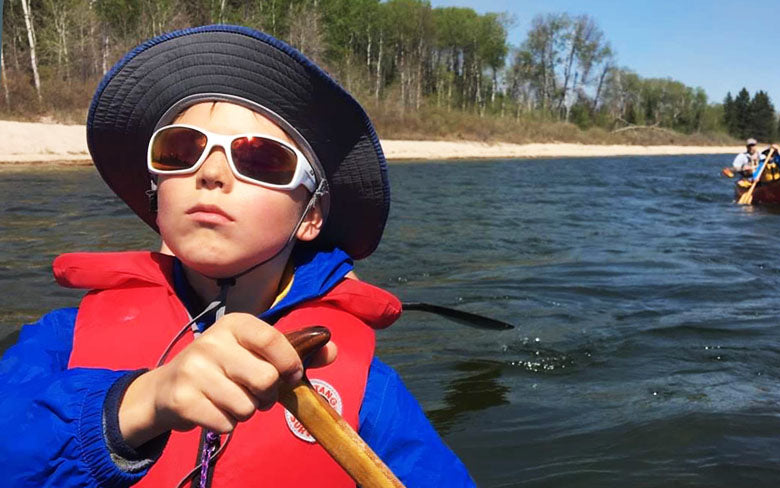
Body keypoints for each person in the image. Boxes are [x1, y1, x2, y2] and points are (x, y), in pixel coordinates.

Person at [0, 25, 474, 487]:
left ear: (310, 216)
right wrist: (136, 406)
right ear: (156, 191)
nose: (209, 172)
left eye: (261, 160)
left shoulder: (372, 391)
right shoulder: (59, 341)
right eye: (180, 149)